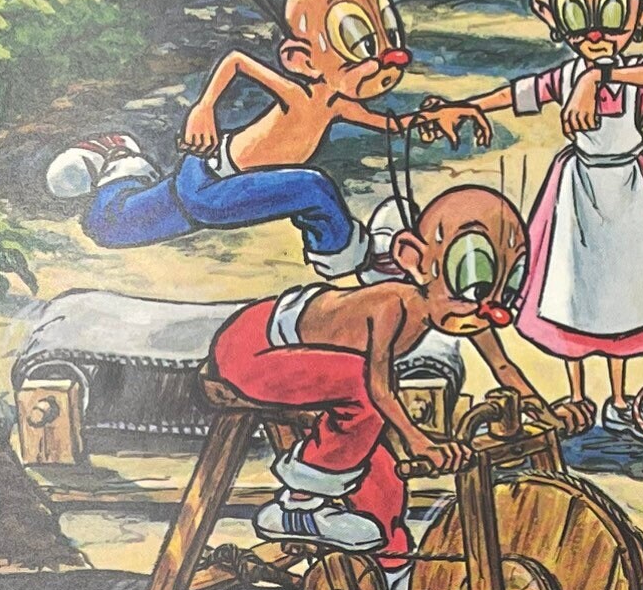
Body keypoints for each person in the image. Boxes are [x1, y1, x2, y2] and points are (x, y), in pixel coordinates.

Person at [413, 0, 643, 429]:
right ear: (551, 14)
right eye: (576, 14)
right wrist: (464, 106)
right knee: (573, 287)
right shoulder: (564, 78)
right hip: (578, 191)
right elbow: (516, 95)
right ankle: (578, 396)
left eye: (612, 12)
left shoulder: (631, 77)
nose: (595, 32)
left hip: (629, 190)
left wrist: (599, 77)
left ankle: (618, 400)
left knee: (624, 288)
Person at [45, 0, 478, 268]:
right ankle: (349, 258)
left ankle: (121, 164)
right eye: (360, 41)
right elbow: (236, 60)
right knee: (312, 187)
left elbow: (392, 125)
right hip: (210, 180)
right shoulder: (297, 94)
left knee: (112, 228)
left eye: (388, 36)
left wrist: (435, 116)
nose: (389, 59)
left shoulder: (336, 104)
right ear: (300, 59)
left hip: (218, 185)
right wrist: (204, 108)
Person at [210, 185, 540, 562]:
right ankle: (297, 506)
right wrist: (419, 442)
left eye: (509, 285)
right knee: (360, 382)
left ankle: (390, 579)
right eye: (471, 274)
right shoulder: (391, 305)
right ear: (415, 259)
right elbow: (378, 389)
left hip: (307, 365)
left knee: (385, 483)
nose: (493, 309)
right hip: (251, 346)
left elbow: (503, 367)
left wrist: (545, 410)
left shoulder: (469, 309)